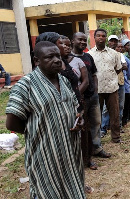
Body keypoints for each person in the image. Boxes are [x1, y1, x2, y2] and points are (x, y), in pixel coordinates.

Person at [6, 41, 86, 198]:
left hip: (70, 151)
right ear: (37, 61)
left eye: (58, 56)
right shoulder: (25, 85)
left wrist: (79, 120)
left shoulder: (64, 81)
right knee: (46, 191)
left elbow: (74, 109)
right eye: (50, 57)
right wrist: (42, 129)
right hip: (45, 154)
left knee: (73, 188)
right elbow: (11, 123)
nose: (57, 60)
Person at [71, 32, 111, 166]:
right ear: (73, 41)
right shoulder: (68, 58)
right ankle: (84, 155)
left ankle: (97, 148)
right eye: (79, 40)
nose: (82, 42)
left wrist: (95, 89)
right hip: (79, 99)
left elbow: (94, 74)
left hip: (93, 96)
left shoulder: (88, 56)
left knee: (96, 123)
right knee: (83, 126)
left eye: (84, 40)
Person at [88, 29, 122, 143]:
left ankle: (116, 137)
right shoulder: (89, 54)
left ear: (105, 38)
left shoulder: (114, 53)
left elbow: (118, 69)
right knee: (96, 117)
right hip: (97, 90)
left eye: (103, 36)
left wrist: (110, 78)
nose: (101, 38)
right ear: (94, 37)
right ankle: (96, 140)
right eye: (98, 36)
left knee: (115, 114)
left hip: (112, 88)